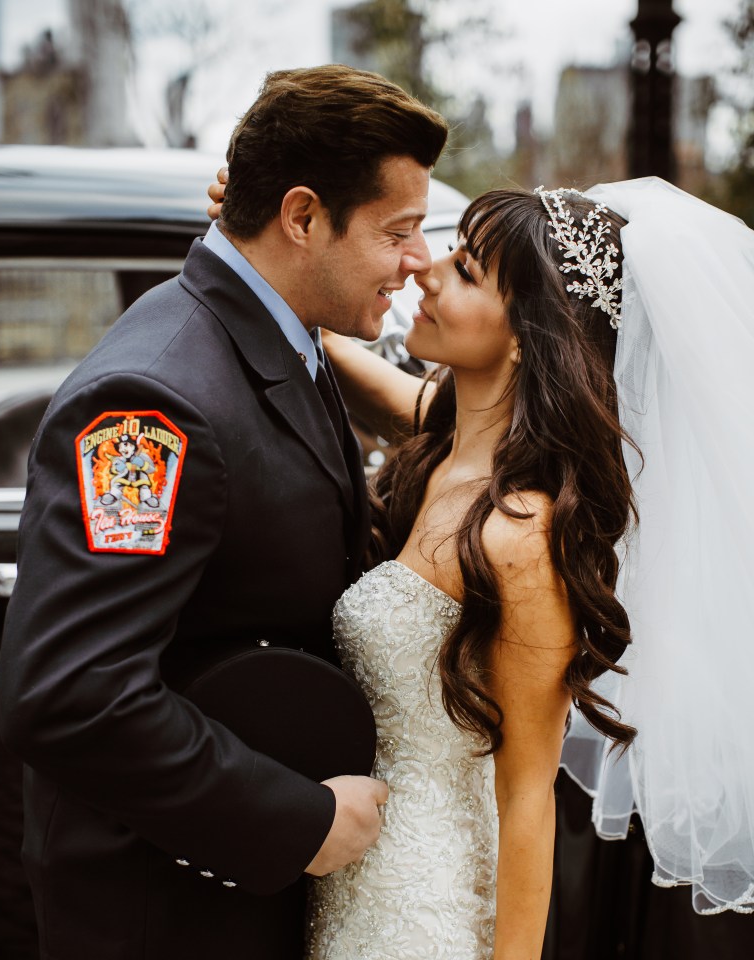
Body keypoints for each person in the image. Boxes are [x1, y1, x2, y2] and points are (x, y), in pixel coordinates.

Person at [210, 174, 754, 956]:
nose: (425, 269)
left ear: (528, 333)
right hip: (349, 882)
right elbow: (319, 342)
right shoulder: (443, 443)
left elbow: (527, 796)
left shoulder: (520, 532)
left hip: (422, 912)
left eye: (464, 270)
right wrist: (256, 238)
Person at [0, 65, 448, 960]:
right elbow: (70, 694)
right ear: (304, 217)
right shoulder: (148, 407)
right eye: (399, 231)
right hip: (167, 914)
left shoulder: (289, 333)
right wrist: (299, 819)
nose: (420, 260)